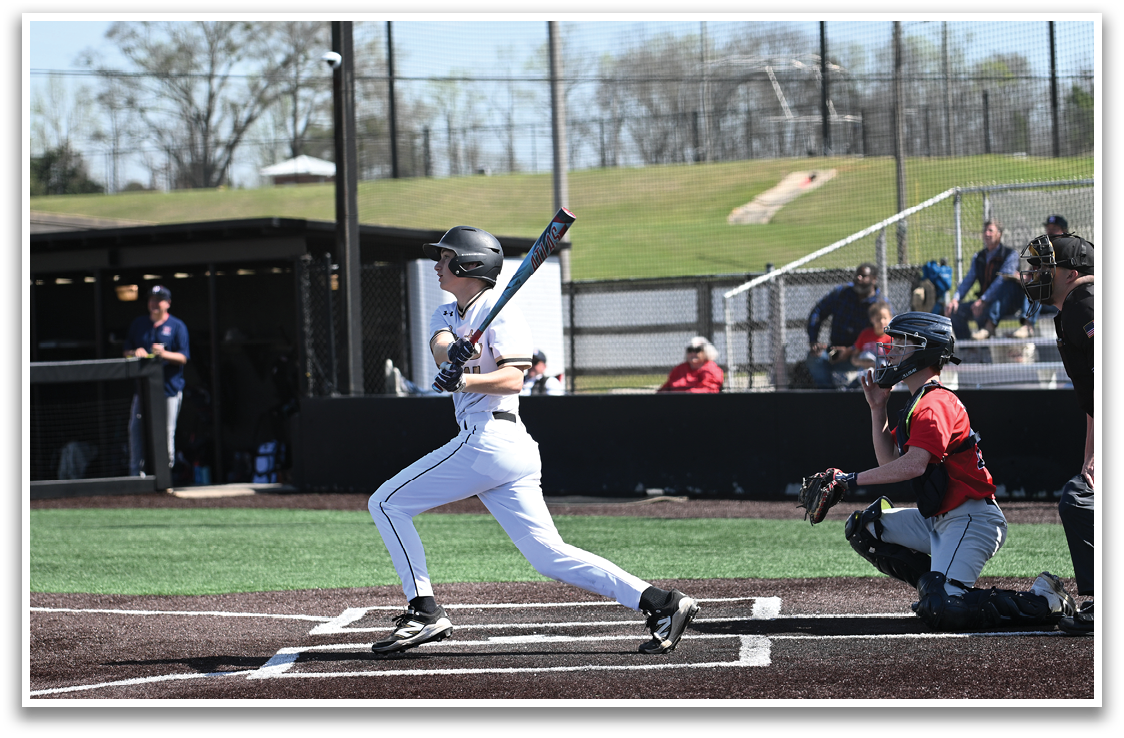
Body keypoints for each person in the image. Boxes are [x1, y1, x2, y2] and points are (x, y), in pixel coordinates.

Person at [367, 225, 699, 656]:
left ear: (470, 264)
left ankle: (424, 611)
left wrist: (466, 378)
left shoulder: (503, 313)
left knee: (386, 502)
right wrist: (456, 355)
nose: (437, 265)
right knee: (548, 555)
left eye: (446, 258)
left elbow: (512, 379)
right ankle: (661, 602)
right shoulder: (446, 312)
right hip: (503, 449)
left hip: (490, 439)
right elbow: (441, 346)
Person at [806, 312, 1076, 631]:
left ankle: (1044, 599)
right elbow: (888, 461)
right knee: (865, 528)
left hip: (971, 519)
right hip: (939, 518)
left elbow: (914, 465)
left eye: (901, 344)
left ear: (924, 351)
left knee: (945, 607)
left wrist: (849, 479)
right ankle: (939, 588)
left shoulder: (934, 404)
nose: (890, 350)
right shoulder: (920, 402)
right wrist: (878, 408)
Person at [1018, 232, 1095, 636]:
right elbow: (1094, 401)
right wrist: (1091, 457)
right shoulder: (1075, 308)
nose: (1036, 275)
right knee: (1084, 492)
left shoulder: (1087, 302)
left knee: (1079, 500)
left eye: (1045, 267)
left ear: (1071, 273)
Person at [124, 284, 190, 477]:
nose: (154, 303)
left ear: (167, 303)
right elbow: (126, 351)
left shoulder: (177, 326)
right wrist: (135, 352)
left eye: (158, 300)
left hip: (169, 390)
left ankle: (164, 477)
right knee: (136, 430)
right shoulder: (139, 324)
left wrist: (164, 354)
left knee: (166, 433)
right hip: (143, 390)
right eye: (151, 300)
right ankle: (136, 476)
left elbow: (184, 357)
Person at [806, 263, 891, 389]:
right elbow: (818, 311)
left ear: (874, 279)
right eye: (857, 275)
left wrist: (850, 350)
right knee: (816, 358)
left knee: (869, 362)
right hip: (835, 351)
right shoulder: (842, 293)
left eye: (863, 276)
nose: (858, 278)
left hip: (861, 354)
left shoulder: (880, 305)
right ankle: (828, 394)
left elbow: (885, 334)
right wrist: (814, 341)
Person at [946, 219, 1032, 340]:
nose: (987, 234)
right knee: (956, 311)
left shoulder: (1010, 255)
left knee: (981, 310)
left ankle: (986, 346)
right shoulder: (978, 257)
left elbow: (1001, 280)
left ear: (999, 234)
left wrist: (983, 300)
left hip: (1005, 303)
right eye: (985, 231)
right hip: (984, 301)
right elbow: (968, 280)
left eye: (991, 230)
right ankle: (969, 348)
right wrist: (955, 299)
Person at [657, 336, 724, 393]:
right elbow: (666, 388)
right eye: (690, 350)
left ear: (706, 352)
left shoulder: (712, 369)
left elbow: (711, 390)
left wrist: (687, 394)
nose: (692, 353)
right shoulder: (679, 369)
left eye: (697, 350)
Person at [846, 301, 893, 371]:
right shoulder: (865, 334)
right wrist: (866, 363)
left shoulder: (893, 338)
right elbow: (854, 358)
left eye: (885, 318)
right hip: (866, 371)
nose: (882, 321)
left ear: (891, 318)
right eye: (878, 319)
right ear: (872, 319)